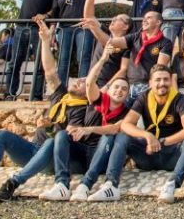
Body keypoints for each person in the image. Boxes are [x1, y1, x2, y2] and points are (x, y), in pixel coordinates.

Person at [0, 18, 87, 201]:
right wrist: (45, 42)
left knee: (49, 143)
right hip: (33, 151)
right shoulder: (60, 96)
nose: (77, 80)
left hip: (52, 159)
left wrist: (49, 127)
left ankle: (14, 182)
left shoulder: (85, 108)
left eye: (83, 82)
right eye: (78, 79)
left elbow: (67, 138)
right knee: (0, 135)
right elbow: (50, 71)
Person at [87, 64, 184, 203]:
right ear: (150, 83)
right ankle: (111, 185)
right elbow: (126, 124)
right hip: (147, 153)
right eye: (158, 80)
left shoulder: (180, 99)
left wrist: (162, 142)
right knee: (123, 135)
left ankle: (172, 185)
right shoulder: (144, 97)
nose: (162, 83)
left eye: (165, 79)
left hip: (171, 155)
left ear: (171, 81)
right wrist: (147, 136)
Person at [38, 43, 130, 200]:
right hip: (82, 152)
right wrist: (102, 59)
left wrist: (89, 129)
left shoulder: (127, 111)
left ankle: (86, 185)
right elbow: (89, 82)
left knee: (110, 136)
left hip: (101, 154)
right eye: (116, 87)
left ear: (127, 94)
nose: (119, 91)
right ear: (108, 89)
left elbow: (115, 128)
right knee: (61, 135)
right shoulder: (97, 100)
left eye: (124, 89)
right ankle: (62, 185)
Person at [88, 10, 173, 106]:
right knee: (122, 117)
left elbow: (159, 69)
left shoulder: (165, 43)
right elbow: (110, 42)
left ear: (158, 22)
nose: (144, 20)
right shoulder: (136, 36)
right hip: (129, 86)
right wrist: (94, 27)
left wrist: (151, 88)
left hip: (147, 87)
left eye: (149, 18)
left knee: (141, 120)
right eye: (144, 18)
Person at [81, 0, 132, 88]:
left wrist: (93, 27)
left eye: (118, 19)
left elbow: (108, 42)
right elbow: (89, 17)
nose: (113, 19)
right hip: (92, 80)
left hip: (108, 86)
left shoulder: (127, 43)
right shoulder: (106, 32)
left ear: (125, 26)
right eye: (114, 17)